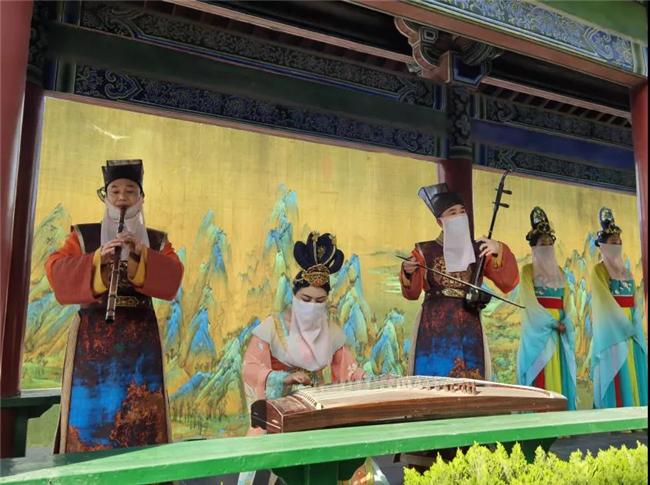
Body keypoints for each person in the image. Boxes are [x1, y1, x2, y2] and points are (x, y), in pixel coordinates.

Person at [46, 159, 183, 453]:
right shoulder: (83, 235)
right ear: (105, 196)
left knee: (141, 415)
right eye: (115, 191)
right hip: (92, 337)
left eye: (130, 191)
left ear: (141, 197)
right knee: (89, 417)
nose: (122, 198)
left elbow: (173, 278)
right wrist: (98, 259)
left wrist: (141, 255)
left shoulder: (157, 241)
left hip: (141, 340)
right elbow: (56, 271)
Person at [238, 231, 385, 485]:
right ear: (294, 296)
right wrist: (282, 378)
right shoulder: (273, 327)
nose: (312, 306)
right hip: (280, 414)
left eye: (320, 301)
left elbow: (350, 370)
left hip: (319, 413)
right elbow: (250, 368)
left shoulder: (331, 331)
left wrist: (375, 380)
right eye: (306, 299)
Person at [400, 183, 519, 380]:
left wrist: (498, 248)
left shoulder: (479, 248)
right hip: (434, 325)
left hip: (469, 321)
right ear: (440, 222)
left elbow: (508, 282)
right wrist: (407, 271)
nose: (459, 216)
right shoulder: (424, 250)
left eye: (462, 212)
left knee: (471, 377)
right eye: (452, 213)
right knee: (435, 379)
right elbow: (411, 294)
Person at [517, 207, 577, 410]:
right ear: (534, 247)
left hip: (560, 328)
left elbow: (567, 302)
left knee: (560, 368)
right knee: (541, 368)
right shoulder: (527, 271)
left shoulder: (560, 272)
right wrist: (551, 323)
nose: (548, 247)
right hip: (540, 329)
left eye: (550, 243)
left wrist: (566, 321)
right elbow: (530, 303)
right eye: (543, 244)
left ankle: (562, 414)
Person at [590, 207, 647, 409]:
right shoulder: (599, 270)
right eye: (613, 243)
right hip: (612, 330)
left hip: (630, 327)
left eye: (619, 243)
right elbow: (604, 301)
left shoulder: (627, 272)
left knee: (633, 367)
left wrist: (635, 323)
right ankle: (616, 413)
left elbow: (635, 300)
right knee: (616, 368)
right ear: (603, 246)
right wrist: (623, 325)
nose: (617, 246)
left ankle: (636, 412)